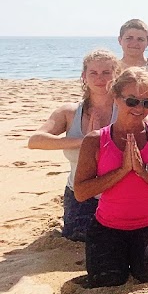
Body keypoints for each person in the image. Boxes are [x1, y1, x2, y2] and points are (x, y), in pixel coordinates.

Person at [74, 67, 148, 287]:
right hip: (108, 225)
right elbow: (81, 192)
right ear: (116, 97)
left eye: (147, 103)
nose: (139, 108)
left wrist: (143, 171)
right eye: (132, 101)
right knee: (107, 278)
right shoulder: (95, 140)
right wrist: (122, 171)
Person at [28, 49, 120, 241]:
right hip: (81, 191)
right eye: (93, 72)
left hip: (119, 189)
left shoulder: (128, 109)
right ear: (83, 76)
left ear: (117, 75)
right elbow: (35, 140)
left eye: (106, 72)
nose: (100, 78)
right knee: (81, 237)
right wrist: (86, 141)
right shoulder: (69, 112)